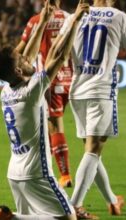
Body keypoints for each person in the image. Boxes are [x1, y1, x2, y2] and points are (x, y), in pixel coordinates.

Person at [60, 0, 126, 218]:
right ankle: (73, 206)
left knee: (92, 152)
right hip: (101, 89)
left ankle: (112, 200)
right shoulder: (118, 17)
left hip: (77, 90)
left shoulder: (75, 16)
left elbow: (60, 50)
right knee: (93, 150)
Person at [0, 1, 88, 219]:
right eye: (22, 59)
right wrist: (75, 21)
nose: (27, 56)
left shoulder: (7, 90)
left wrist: (42, 22)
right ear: (17, 69)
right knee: (68, 217)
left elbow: (30, 54)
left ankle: (11, 217)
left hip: (14, 173)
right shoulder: (32, 90)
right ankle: (10, 218)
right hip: (36, 173)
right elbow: (60, 56)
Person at [15, 0, 73, 188]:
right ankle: (49, 166)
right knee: (50, 126)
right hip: (69, 78)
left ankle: (64, 175)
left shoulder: (37, 20)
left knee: (54, 125)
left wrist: (9, 59)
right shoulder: (68, 18)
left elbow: (22, 49)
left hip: (49, 80)